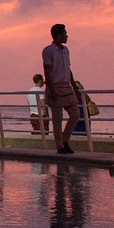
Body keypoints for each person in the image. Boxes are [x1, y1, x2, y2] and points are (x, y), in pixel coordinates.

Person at [42, 23, 80, 154]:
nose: (67, 36)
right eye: (65, 34)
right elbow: (47, 70)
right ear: (59, 35)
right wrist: (51, 90)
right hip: (55, 86)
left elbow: (68, 69)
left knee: (75, 114)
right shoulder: (48, 51)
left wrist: (74, 87)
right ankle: (60, 146)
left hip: (66, 86)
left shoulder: (66, 50)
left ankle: (64, 140)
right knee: (57, 119)